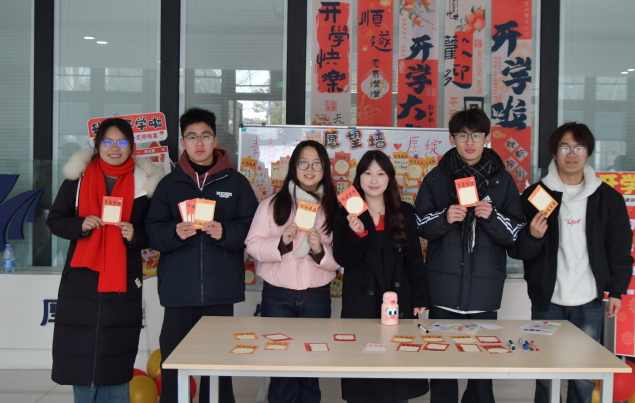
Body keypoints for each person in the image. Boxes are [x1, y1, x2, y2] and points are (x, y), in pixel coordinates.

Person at [413, 108, 539, 403]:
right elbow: (419, 224)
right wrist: (445, 217)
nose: (469, 142)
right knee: (442, 371)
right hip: (443, 293)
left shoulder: (502, 181)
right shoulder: (436, 178)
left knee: (482, 373)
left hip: (484, 295)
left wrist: (491, 217)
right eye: (462, 135)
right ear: (452, 139)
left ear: (486, 138)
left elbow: (515, 232)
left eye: (476, 135)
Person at [46, 118, 163, 403]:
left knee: (115, 359)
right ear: (97, 145)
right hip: (82, 279)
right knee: (81, 357)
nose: (114, 148)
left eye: (122, 142)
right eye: (107, 142)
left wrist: (135, 235)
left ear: (131, 147)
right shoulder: (78, 178)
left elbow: (154, 230)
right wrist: (80, 225)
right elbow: (55, 220)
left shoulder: (145, 183)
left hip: (122, 278)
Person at [146, 107, 258, 403]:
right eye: (192, 137)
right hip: (178, 289)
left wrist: (226, 232)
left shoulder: (235, 183)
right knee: (173, 363)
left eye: (205, 136)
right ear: (183, 142)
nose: (199, 143)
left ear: (215, 140)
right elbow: (152, 229)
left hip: (220, 288)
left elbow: (252, 226)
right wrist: (174, 233)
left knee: (217, 363)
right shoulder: (169, 184)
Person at [517, 122, 633, 403]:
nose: (572, 154)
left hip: (588, 300)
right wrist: (533, 236)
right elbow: (518, 250)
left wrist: (616, 291)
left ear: (588, 153)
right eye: (565, 147)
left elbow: (619, 248)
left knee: (583, 374)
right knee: (545, 370)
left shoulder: (607, 198)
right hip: (547, 299)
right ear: (554, 152)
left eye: (579, 148)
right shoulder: (536, 195)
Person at [245, 140, 340, 403]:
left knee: (311, 367)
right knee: (281, 366)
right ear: (293, 167)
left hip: (316, 296)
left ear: (325, 169)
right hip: (277, 295)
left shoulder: (333, 208)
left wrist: (319, 250)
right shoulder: (271, 205)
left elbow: (342, 256)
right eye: (303, 163)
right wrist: (281, 243)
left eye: (316, 164)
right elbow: (252, 245)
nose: (309, 169)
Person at [334, 150, 430, 403]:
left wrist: (420, 297)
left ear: (390, 178)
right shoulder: (345, 212)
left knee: (396, 370)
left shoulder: (404, 211)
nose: (374, 180)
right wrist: (357, 234)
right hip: (360, 300)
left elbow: (414, 259)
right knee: (363, 372)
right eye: (367, 173)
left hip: (398, 299)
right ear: (359, 178)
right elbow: (344, 259)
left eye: (381, 173)